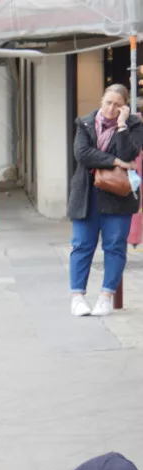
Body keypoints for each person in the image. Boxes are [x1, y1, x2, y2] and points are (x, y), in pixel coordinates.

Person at [67, 83, 143, 317]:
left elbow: (128, 154)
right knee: (81, 245)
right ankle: (77, 297)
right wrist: (116, 163)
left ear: (125, 108)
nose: (111, 108)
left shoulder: (134, 126)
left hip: (118, 196)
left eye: (117, 105)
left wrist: (121, 127)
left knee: (115, 247)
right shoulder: (85, 123)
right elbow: (82, 154)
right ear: (101, 101)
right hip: (86, 195)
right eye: (108, 102)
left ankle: (106, 296)